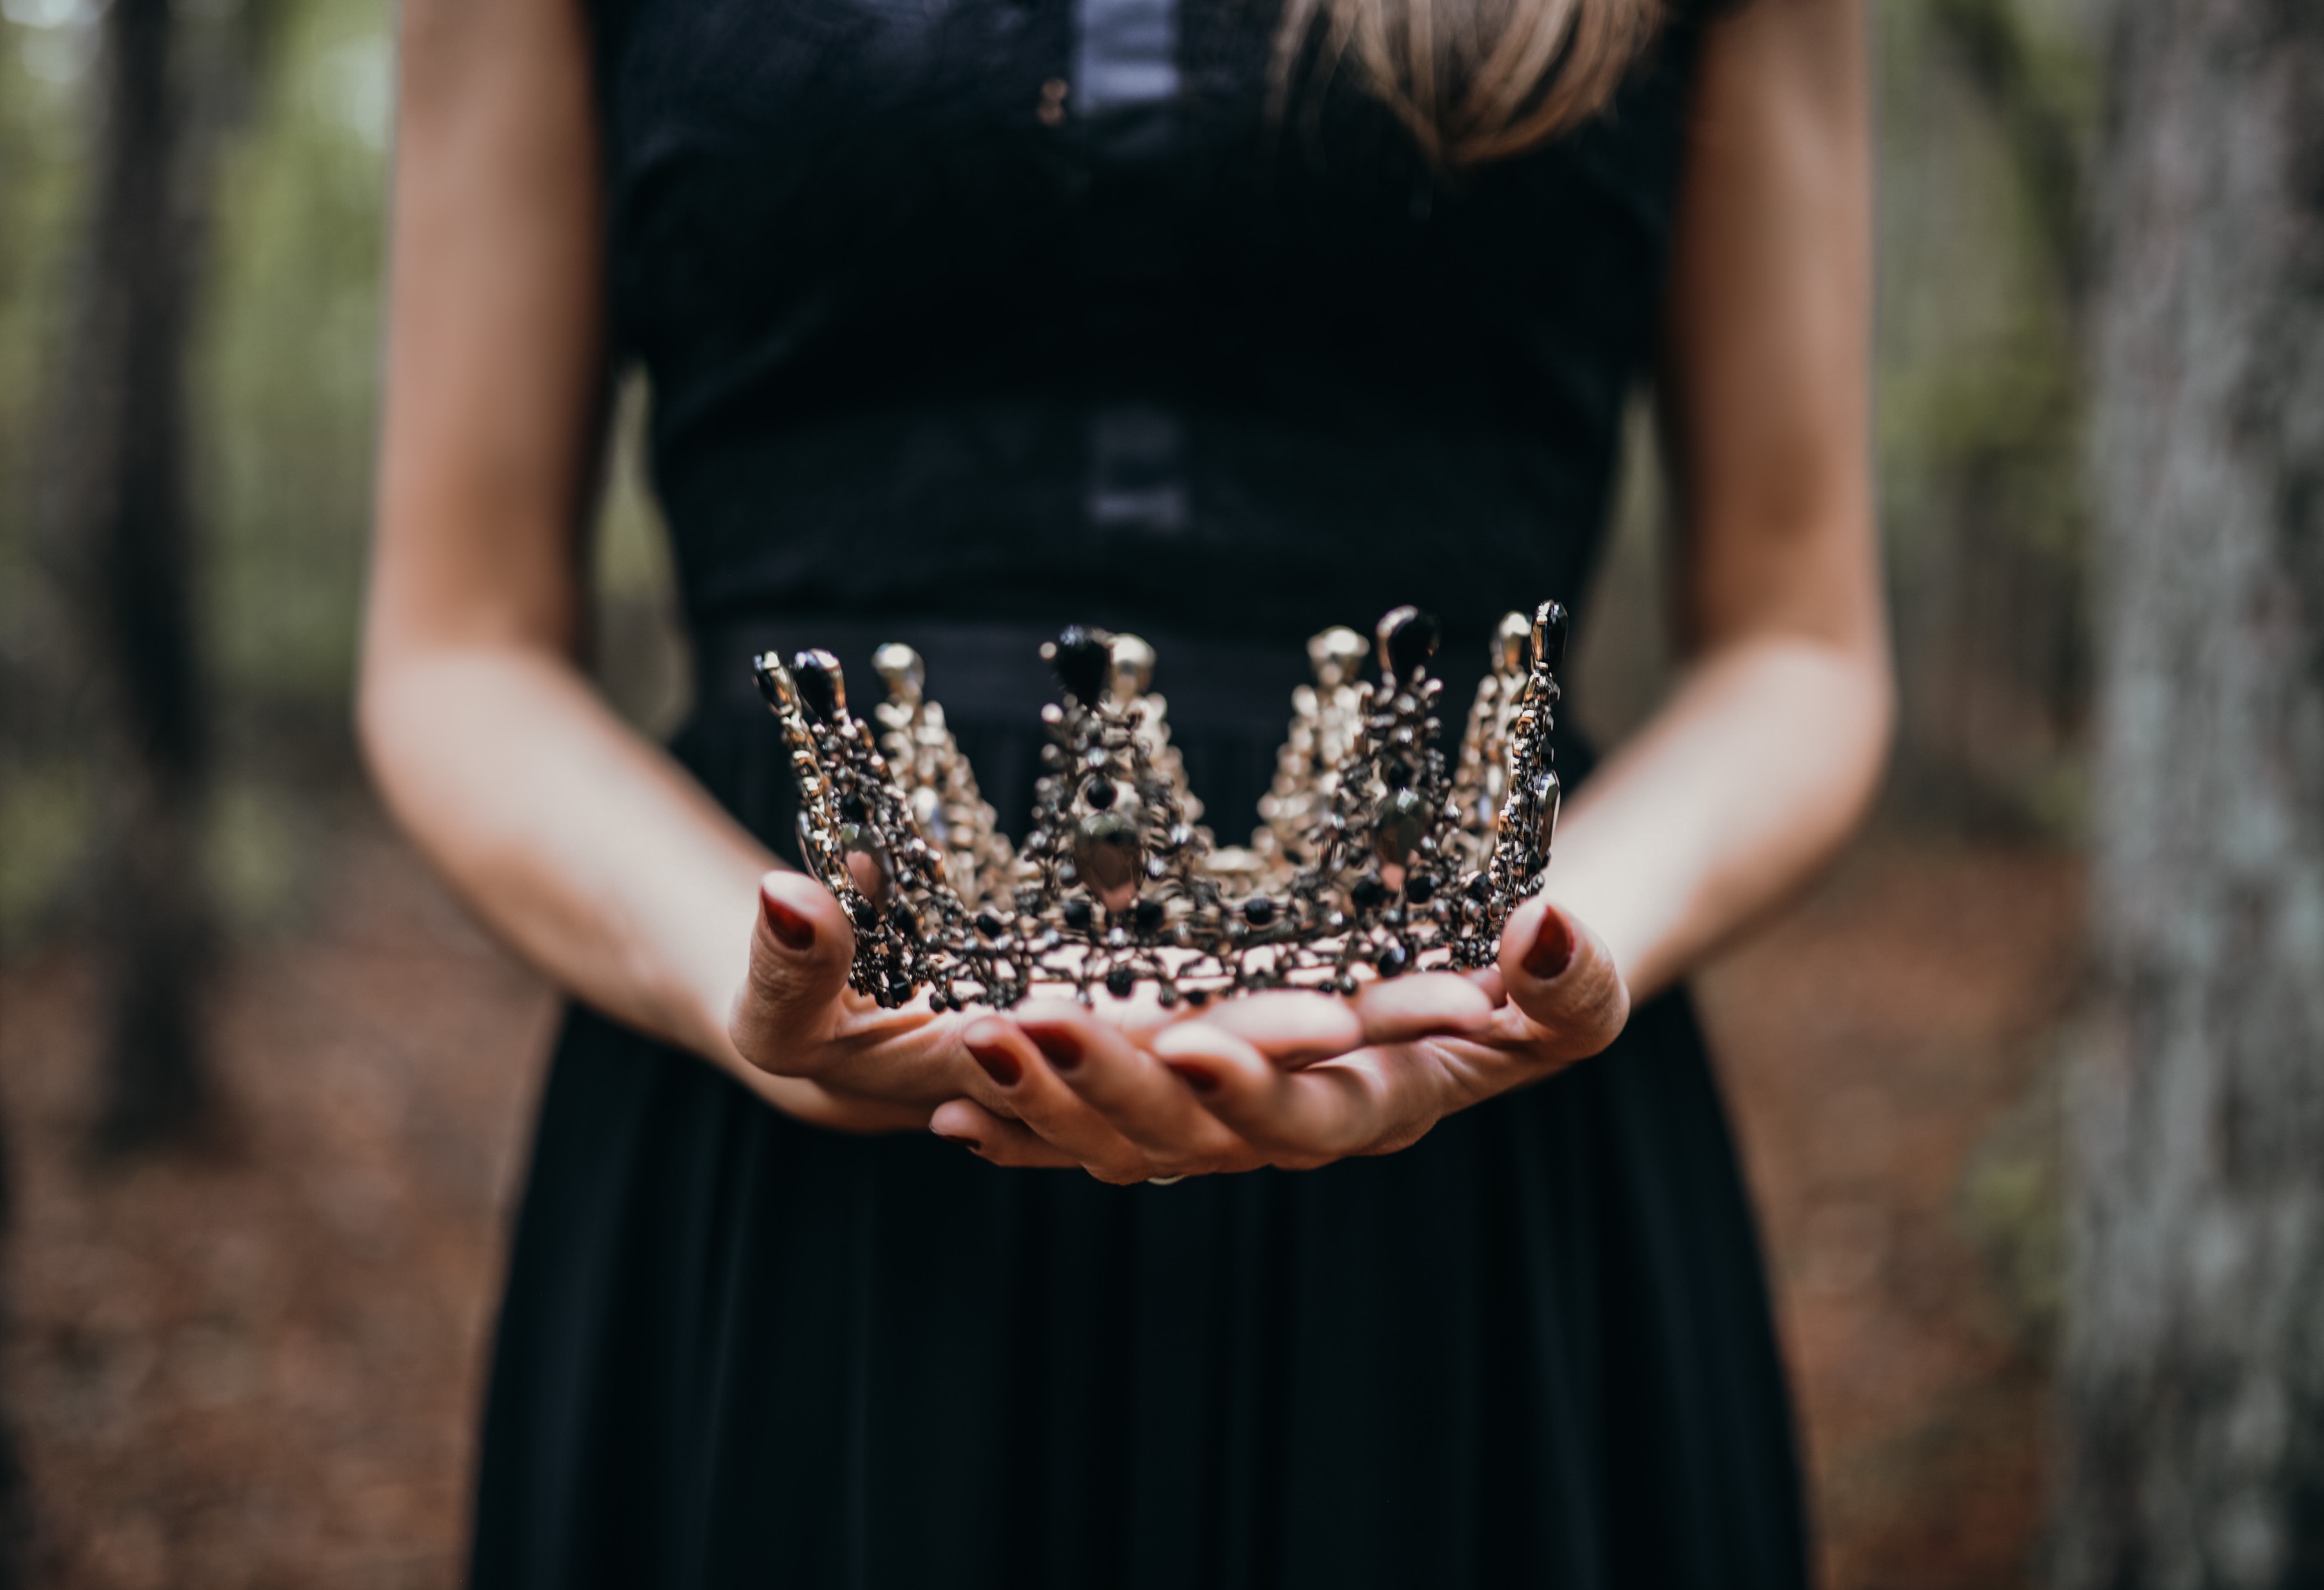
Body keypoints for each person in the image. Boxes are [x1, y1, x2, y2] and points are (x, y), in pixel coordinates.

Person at [361, 0, 1886, 1576]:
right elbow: (457, 653)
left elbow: (1800, 642)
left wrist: (1549, 942)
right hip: (780, 1194)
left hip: (1486, 1187)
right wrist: (729, 960)